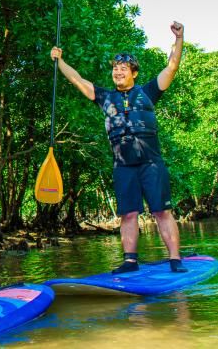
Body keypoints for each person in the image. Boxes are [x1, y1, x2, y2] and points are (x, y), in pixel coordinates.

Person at [50, 22, 188, 274]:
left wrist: (179, 39)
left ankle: (175, 259)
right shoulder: (104, 97)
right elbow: (76, 79)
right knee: (128, 214)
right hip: (123, 166)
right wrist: (59, 61)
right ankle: (130, 260)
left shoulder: (149, 91)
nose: (118, 71)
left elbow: (172, 66)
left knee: (162, 211)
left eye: (123, 68)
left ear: (133, 73)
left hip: (151, 163)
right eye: (115, 68)